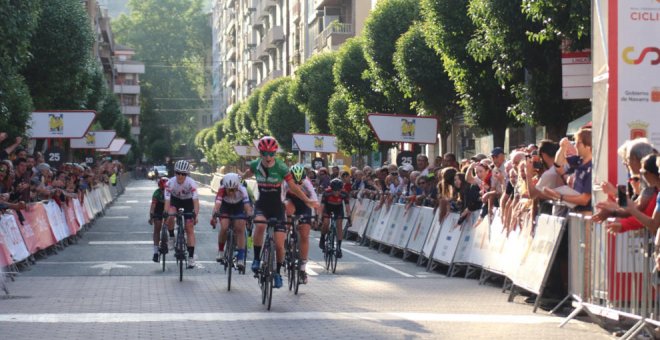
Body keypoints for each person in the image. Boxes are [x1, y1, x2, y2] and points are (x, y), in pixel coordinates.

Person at [240, 136, 318, 289]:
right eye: (264, 153)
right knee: (260, 226)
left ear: (275, 153)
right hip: (262, 205)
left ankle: (277, 272)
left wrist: (307, 200)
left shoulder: (281, 167)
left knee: (280, 245)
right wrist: (239, 178)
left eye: (271, 154)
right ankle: (256, 259)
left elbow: (294, 187)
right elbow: (248, 173)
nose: (268, 157)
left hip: (277, 208)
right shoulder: (256, 164)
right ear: (260, 153)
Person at [283, 164, 318, 284]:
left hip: (304, 205)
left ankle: (302, 268)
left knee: (304, 235)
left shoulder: (307, 183)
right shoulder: (286, 182)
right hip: (291, 202)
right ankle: (285, 236)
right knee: (287, 208)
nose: (297, 184)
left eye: (300, 181)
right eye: (294, 181)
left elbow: (314, 200)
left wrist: (315, 215)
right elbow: (280, 198)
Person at [210, 173, 252, 273]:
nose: (230, 192)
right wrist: (214, 216)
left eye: (233, 189)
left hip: (238, 206)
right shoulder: (222, 190)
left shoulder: (243, 190)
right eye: (228, 189)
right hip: (225, 206)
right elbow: (217, 205)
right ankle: (220, 251)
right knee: (224, 227)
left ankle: (240, 258)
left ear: (237, 187)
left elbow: (247, 205)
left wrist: (249, 214)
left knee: (240, 228)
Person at [163, 160, 200, 268]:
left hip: (188, 201)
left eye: (183, 174)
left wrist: (195, 215)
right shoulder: (170, 183)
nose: (180, 176)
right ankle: (171, 237)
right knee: (170, 215)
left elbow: (196, 202)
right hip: (175, 200)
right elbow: (167, 201)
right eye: (178, 173)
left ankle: (191, 258)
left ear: (187, 174)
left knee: (189, 227)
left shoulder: (191, 183)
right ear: (175, 172)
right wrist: (166, 213)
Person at [319, 178, 351, 258]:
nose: (337, 192)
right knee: (326, 223)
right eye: (334, 190)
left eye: (338, 190)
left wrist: (349, 217)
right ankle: (322, 238)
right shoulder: (326, 193)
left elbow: (347, 207)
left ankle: (339, 248)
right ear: (331, 189)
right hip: (328, 208)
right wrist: (319, 217)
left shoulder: (344, 193)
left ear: (341, 189)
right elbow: (322, 206)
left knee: (339, 225)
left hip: (338, 208)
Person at [148, 177, 169, 263]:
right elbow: (153, 206)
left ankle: (166, 242)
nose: (164, 191)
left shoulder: (171, 192)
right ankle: (155, 253)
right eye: (162, 189)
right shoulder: (156, 193)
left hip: (167, 209)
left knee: (169, 223)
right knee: (157, 228)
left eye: (165, 189)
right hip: (158, 209)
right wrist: (151, 216)